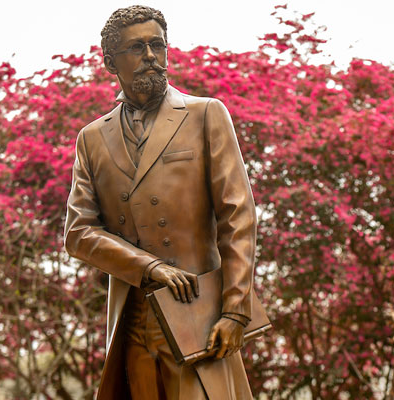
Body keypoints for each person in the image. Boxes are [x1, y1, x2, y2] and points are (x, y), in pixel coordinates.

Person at [64, 5, 257, 399]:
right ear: (109, 61)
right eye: (137, 48)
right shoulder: (92, 138)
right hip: (132, 323)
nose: (151, 56)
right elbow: (78, 233)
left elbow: (237, 217)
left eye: (158, 45)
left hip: (198, 319)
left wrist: (236, 310)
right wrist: (148, 267)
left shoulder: (205, 114)